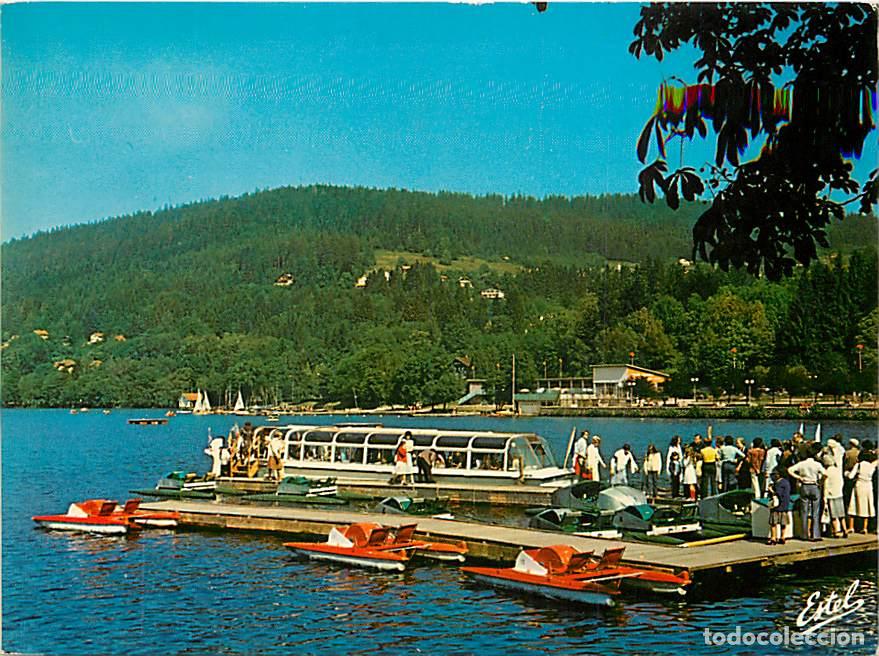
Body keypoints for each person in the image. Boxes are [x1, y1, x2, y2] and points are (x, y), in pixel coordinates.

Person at [788, 444, 827, 541]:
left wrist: (799, 477)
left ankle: (804, 534)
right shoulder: (817, 464)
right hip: (814, 485)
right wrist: (820, 481)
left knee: (804, 511)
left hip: (804, 485)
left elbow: (790, 470)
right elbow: (825, 474)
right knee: (815, 511)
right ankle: (815, 534)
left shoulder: (802, 464)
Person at [846, 452, 876, 534]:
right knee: (867, 506)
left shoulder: (858, 465)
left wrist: (846, 473)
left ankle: (851, 527)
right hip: (868, 486)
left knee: (853, 505)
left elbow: (851, 476)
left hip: (859, 485)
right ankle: (864, 528)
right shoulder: (872, 466)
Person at [821, 454, 847, 538]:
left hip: (830, 495)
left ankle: (835, 531)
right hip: (839, 493)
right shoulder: (837, 470)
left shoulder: (826, 472)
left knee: (833, 515)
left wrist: (824, 497)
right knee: (841, 514)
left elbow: (826, 485)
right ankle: (844, 530)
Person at [767, 469, 791, 545]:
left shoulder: (778, 483)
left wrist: (770, 490)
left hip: (777, 506)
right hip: (785, 505)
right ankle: (782, 537)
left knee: (773, 523)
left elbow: (778, 493)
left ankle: (773, 538)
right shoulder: (786, 482)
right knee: (783, 523)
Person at [843, 438, 860, 509]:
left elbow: (844, 462)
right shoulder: (859, 452)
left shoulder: (847, 453)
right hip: (856, 472)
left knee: (848, 489)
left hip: (848, 472)